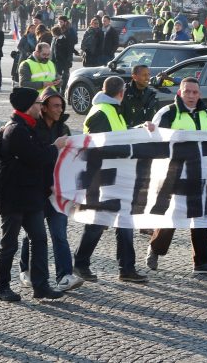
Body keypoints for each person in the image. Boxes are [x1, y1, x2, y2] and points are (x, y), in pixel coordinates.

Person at [0, 87, 69, 303]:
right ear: (29, 106)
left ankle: (41, 285)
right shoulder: (16, 130)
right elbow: (35, 157)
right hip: (13, 197)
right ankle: (2, 286)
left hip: (31, 196)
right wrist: (55, 147)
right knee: (10, 243)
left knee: (39, 239)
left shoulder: (28, 127)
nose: (40, 107)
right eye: (38, 103)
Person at [146, 77, 207, 275]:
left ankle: (202, 262)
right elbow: (153, 139)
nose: (190, 96)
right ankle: (156, 248)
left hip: (201, 174)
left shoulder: (206, 114)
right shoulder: (168, 112)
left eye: (194, 92)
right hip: (174, 175)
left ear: (200, 94)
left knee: (200, 217)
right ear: (180, 93)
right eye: (187, 91)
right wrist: (150, 131)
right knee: (173, 216)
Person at [73, 76, 148, 283]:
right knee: (97, 223)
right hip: (103, 177)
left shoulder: (111, 110)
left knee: (124, 221)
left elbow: (119, 135)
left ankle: (126, 268)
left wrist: (139, 130)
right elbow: (101, 147)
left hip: (116, 176)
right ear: (121, 92)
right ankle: (80, 263)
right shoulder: (102, 113)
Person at [16, 88, 84, 293]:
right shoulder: (31, 129)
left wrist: (75, 190)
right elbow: (32, 159)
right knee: (33, 236)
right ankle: (25, 270)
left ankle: (64, 276)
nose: (59, 109)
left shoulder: (63, 128)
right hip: (36, 192)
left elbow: (73, 160)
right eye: (55, 105)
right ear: (43, 107)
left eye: (61, 105)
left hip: (58, 192)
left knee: (59, 234)